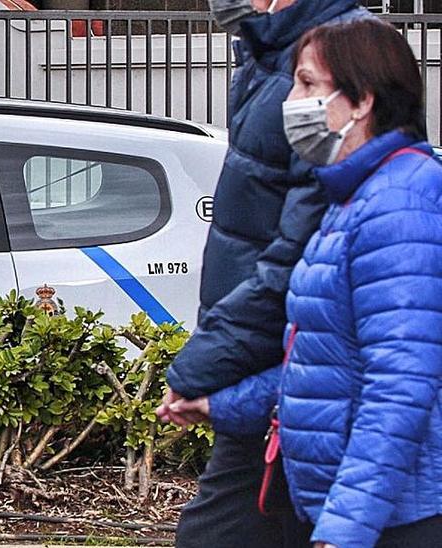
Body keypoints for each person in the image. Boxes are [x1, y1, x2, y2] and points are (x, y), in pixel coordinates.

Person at [166, 19, 442, 548]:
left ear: (360, 100)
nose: (292, 99)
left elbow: (398, 387)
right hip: (345, 507)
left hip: (396, 520)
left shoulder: (399, 206)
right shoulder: (355, 199)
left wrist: (345, 530)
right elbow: (324, 364)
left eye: (308, 84)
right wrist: (222, 406)